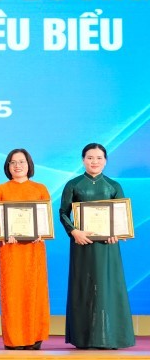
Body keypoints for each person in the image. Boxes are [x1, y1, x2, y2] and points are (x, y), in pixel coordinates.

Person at [59, 143, 135, 349]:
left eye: (99, 158)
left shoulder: (113, 185)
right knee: (83, 287)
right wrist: (74, 232)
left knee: (107, 287)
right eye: (90, 157)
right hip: (82, 244)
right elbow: (63, 212)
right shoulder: (73, 184)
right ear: (83, 160)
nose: (94, 161)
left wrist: (116, 233)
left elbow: (120, 215)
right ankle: (83, 338)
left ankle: (111, 337)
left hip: (107, 247)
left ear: (105, 161)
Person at [0, 148, 50, 350]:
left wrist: (42, 232)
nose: (17, 166)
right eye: (13, 162)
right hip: (10, 250)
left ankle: (35, 337)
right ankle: (14, 339)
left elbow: (45, 218)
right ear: (7, 166)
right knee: (12, 294)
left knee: (35, 291)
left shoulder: (40, 189)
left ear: (29, 164)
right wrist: (5, 232)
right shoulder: (1, 189)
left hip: (34, 249)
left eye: (21, 161)